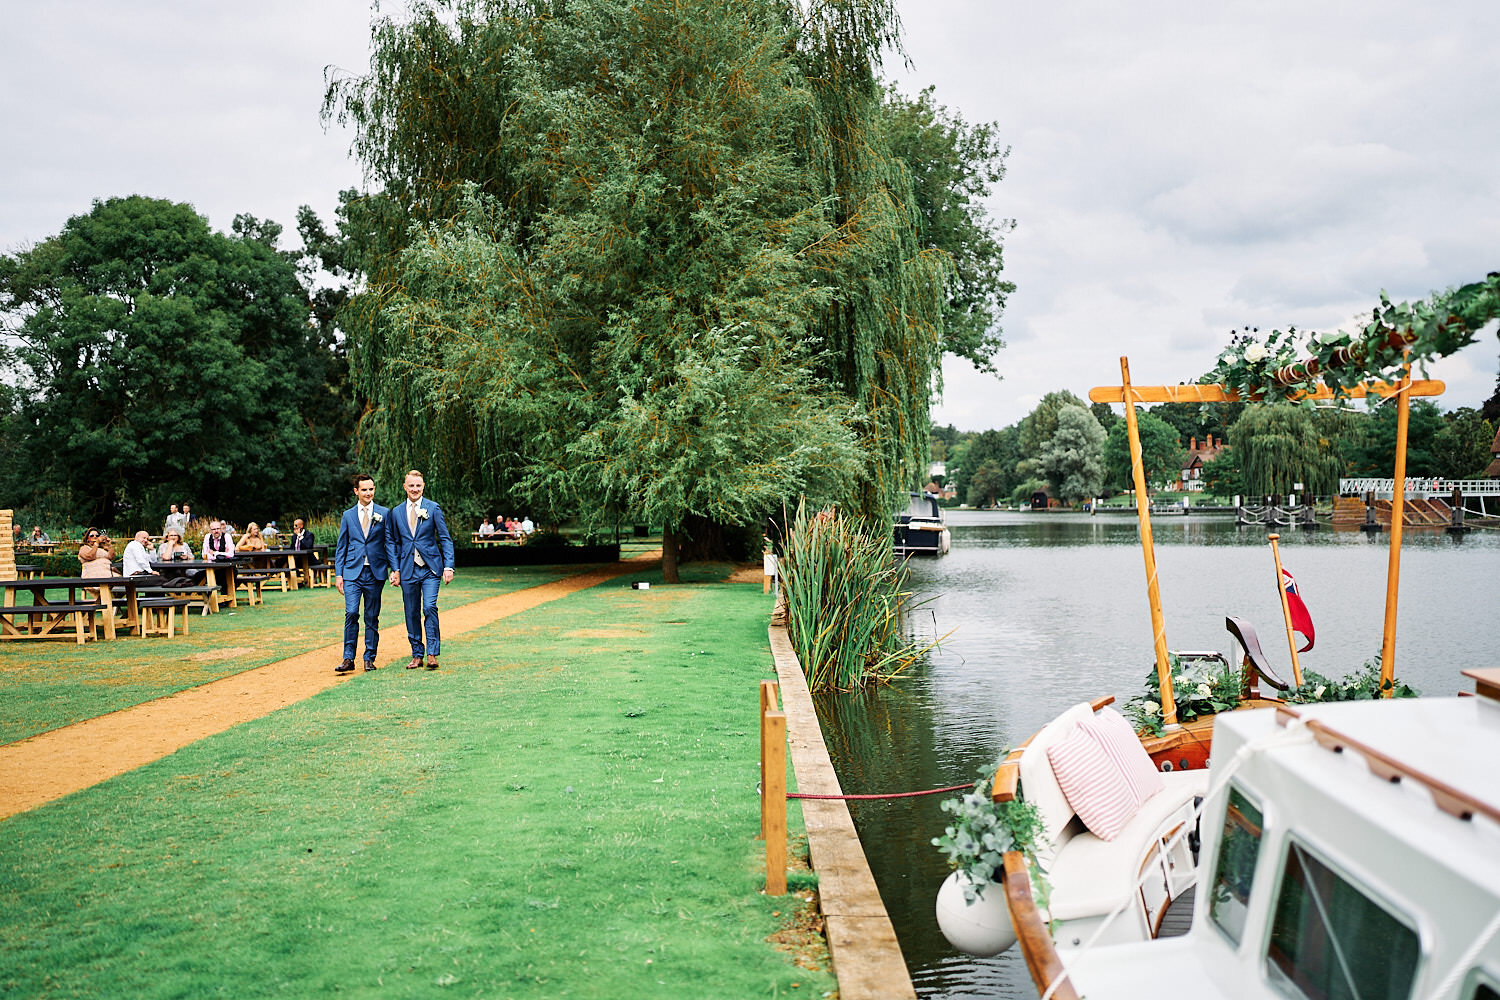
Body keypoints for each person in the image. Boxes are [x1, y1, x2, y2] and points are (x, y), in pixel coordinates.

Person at [389, 469, 455, 671]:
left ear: (423, 486)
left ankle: (432, 653)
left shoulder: (433, 508)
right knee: (411, 612)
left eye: (418, 485)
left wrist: (448, 566)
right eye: (411, 485)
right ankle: (417, 654)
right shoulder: (396, 512)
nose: (415, 489)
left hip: (430, 569)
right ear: (405, 487)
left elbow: (444, 538)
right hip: (408, 569)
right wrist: (395, 569)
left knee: (429, 607)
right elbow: (392, 542)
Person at [334, 473, 396, 674]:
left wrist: (394, 569)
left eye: (371, 489)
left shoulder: (384, 513)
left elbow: (389, 543)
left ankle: (369, 658)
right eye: (364, 489)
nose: (368, 493)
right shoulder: (348, 516)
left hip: (375, 572)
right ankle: (348, 658)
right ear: (356, 491)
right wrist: (339, 574)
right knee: (351, 613)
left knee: (372, 616)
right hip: (352, 572)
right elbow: (341, 546)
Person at [78, 529, 114, 599]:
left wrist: (109, 545)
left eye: (97, 535)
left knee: (123, 585)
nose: (95, 537)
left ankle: (113, 607)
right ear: (87, 539)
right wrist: (96, 543)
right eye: (92, 536)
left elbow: (111, 556)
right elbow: (90, 556)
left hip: (109, 574)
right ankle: (106, 605)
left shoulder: (103, 548)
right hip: (93, 576)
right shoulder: (84, 548)